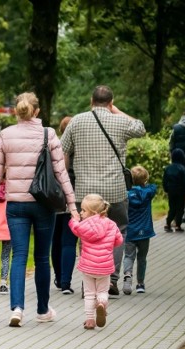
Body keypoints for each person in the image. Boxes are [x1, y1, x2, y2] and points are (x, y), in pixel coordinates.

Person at [0, 92, 77, 327]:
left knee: (19, 256)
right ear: (37, 111)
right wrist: (72, 205)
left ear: (17, 111)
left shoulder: (5, 135)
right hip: (43, 204)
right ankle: (43, 310)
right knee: (42, 258)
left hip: (15, 205)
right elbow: (60, 173)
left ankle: (16, 308)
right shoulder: (49, 134)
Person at [61, 85, 146, 296]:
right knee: (119, 230)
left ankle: (88, 279)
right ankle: (111, 279)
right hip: (114, 190)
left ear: (91, 101)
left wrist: (65, 184)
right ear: (111, 102)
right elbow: (140, 128)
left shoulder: (76, 122)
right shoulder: (120, 121)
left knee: (86, 234)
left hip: (85, 191)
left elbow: (62, 152)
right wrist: (116, 111)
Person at [68, 194, 123, 329]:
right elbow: (119, 240)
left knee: (89, 293)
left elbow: (76, 229)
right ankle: (102, 303)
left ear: (92, 212)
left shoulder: (83, 226)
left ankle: (90, 320)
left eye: (83, 210)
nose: (81, 213)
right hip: (105, 266)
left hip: (88, 266)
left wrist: (73, 220)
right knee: (103, 291)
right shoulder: (111, 224)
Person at [51, 115, 78, 294]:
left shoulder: (54, 146)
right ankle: (67, 283)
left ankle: (59, 278)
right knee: (69, 241)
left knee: (56, 239)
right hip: (75, 196)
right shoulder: (82, 150)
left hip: (55, 197)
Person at [123, 166, 157, 295]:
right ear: (145, 180)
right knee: (142, 258)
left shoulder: (126, 194)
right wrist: (144, 183)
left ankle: (127, 276)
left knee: (128, 256)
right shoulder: (148, 192)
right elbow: (153, 187)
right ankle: (140, 283)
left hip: (130, 231)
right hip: (145, 231)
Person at [163, 148, 185, 233]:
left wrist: (166, 189)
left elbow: (164, 180)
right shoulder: (182, 168)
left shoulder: (168, 168)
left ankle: (168, 223)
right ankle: (178, 225)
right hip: (180, 191)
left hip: (171, 190)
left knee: (172, 207)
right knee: (180, 208)